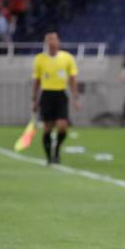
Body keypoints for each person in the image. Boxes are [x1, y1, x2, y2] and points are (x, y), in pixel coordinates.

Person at [31, 31, 80, 164]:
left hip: (60, 94)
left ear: (59, 42)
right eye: (49, 40)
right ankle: (49, 157)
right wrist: (34, 99)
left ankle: (57, 149)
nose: (52, 42)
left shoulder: (67, 58)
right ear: (46, 43)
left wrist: (76, 98)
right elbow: (37, 81)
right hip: (46, 95)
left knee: (62, 125)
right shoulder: (39, 59)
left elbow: (72, 79)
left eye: (54, 39)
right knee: (47, 127)